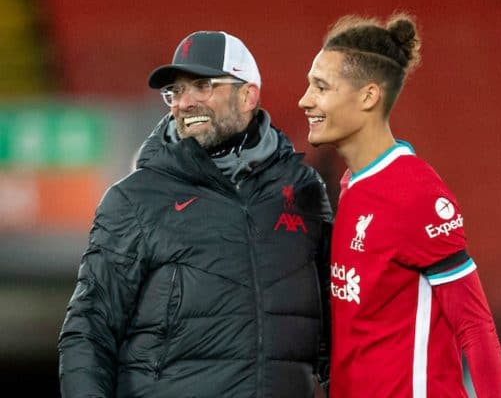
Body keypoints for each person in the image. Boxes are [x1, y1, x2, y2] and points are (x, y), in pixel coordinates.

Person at [58, 30, 332, 398]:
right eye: (175, 91)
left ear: (248, 94)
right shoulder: (136, 198)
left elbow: (335, 323)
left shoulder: (303, 190)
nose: (183, 103)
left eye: (202, 85)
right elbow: (89, 327)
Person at [298, 13, 501, 398]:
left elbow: (475, 327)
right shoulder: (351, 184)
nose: (305, 100)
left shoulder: (415, 194)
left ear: (368, 96)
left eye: (321, 87)